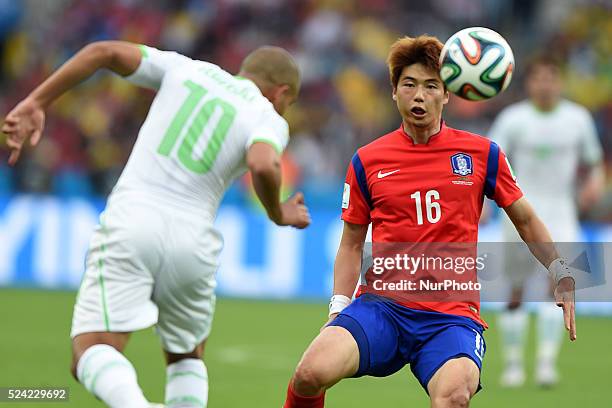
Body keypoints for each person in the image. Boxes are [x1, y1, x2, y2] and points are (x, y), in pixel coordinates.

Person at [2, 41, 310, 408]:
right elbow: (263, 163)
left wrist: (37, 101)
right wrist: (277, 211)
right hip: (194, 242)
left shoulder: (184, 68)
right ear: (282, 93)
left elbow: (103, 52)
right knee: (186, 356)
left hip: (134, 220)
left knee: (92, 349)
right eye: (287, 105)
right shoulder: (268, 117)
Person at [282, 35, 576, 408]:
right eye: (409, 85)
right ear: (394, 92)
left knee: (453, 396)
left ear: (448, 93)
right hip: (382, 308)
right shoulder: (367, 160)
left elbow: (526, 218)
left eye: (431, 86)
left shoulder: (482, 154)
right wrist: (338, 309)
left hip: (450, 317)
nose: (419, 96)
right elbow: (352, 243)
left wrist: (558, 269)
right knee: (309, 374)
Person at [490, 55, 604, 387]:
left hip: (562, 214)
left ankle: (545, 364)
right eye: (539, 78)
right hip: (519, 214)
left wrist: (594, 183)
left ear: (560, 82)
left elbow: (594, 161)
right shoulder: (513, 119)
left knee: (558, 288)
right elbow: (492, 161)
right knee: (515, 290)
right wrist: (484, 202)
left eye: (551, 78)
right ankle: (513, 364)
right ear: (529, 83)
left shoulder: (577, 119)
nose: (545, 84)